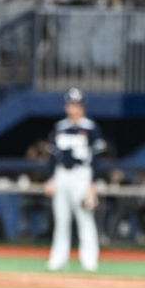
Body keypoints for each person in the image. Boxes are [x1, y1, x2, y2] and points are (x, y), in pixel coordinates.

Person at [44, 87, 106, 271]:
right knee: (61, 219)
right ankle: (58, 259)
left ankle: (89, 259)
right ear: (66, 106)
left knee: (85, 217)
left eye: (77, 105)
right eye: (71, 104)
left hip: (81, 175)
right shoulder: (60, 127)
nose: (74, 108)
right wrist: (50, 179)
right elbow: (51, 157)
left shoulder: (90, 128)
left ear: (83, 107)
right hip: (62, 174)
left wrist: (93, 183)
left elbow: (97, 159)